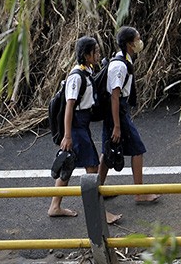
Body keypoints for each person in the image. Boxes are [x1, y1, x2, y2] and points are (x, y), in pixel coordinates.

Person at [49, 36, 122, 224]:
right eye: (95, 51)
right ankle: (99, 214)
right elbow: (69, 107)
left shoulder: (87, 71)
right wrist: (67, 135)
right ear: (86, 54)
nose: (98, 54)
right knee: (92, 168)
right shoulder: (76, 76)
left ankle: (55, 206)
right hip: (76, 126)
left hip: (82, 124)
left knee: (68, 164)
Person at [98, 26, 160, 203]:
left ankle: (98, 189)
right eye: (137, 39)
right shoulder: (119, 66)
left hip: (117, 111)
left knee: (107, 150)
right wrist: (117, 126)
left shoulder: (124, 61)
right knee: (138, 149)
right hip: (117, 111)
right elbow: (114, 97)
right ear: (129, 44)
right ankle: (139, 193)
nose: (140, 42)